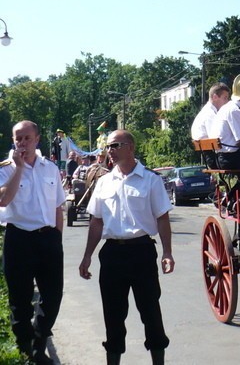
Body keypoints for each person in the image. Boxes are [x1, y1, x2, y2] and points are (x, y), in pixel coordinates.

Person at [78, 130, 174, 365]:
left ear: (130, 147)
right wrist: (87, 256)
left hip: (141, 252)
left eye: (115, 145)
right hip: (112, 254)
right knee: (113, 313)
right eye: (108, 146)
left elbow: (162, 218)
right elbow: (96, 222)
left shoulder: (150, 180)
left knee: (150, 310)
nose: (110, 150)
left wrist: (167, 253)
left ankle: (158, 360)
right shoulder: (103, 182)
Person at [0, 120, 65, 364]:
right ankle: (26, 349)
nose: (22, 143)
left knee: (53, 296)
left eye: (27, 138)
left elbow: (58, 205)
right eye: (18, 138)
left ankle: (39, 342)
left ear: (37, 139)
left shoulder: (50, 168)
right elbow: (4, 201)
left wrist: (57, 237)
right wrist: (18, 169)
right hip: (19, 238)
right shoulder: (5, 169)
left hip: (48, 238)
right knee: (20, 299)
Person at [190, 82, 231, 167]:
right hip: (215, 159)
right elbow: (217, 137)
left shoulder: (207, 111)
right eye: (225, 98)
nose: (227, 101)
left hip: (213, 157)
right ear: (215, 97)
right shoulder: (210, 114)